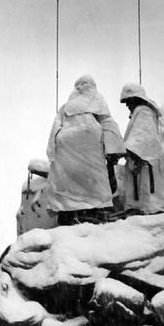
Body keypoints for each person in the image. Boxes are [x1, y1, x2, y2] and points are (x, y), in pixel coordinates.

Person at [46, 75, 125, 224]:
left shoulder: (66, 106)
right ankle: (94, 210)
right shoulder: (97, 100)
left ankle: (69, 211)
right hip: (90, 143)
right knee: (96, 184)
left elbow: (54, 130)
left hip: (65, 143)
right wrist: (114, 152)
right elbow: (109, 125)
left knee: (67, 184)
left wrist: (52, 151)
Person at [120, 83, 164, 214]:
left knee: (148, 204)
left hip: (146, 168)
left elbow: (141, 140)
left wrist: (125, 150)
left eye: (128, 102)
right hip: (147, 166)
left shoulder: (143, 112)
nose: (127, 106)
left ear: (135, 99)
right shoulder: (143, 113)